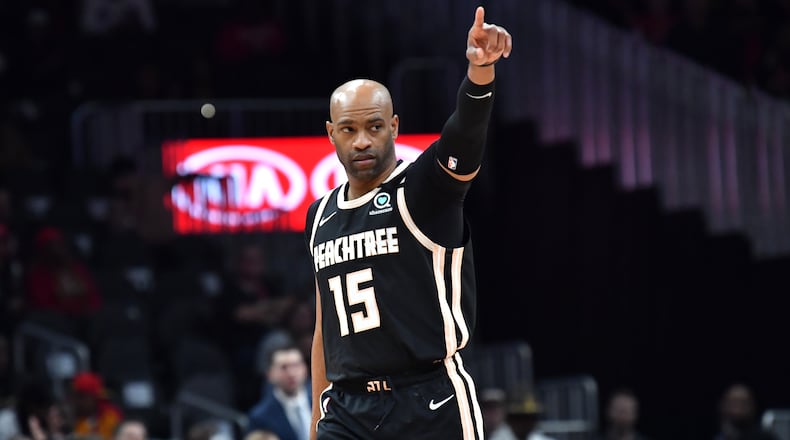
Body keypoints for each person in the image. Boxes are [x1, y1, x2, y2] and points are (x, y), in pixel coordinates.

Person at [304, 6, 512, 439]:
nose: (362, 141)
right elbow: (325, 329)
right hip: (346, 410)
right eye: (349, 129)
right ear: (331, 133)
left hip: (427, 400)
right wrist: (315, 420)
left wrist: (480, 73)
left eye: (375, 126)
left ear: (395, 127)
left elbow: (464, 135)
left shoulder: (424, 189)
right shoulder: (320, 214)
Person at [247, 344, 311, 440]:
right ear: (269, 374)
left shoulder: (323, 402)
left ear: (305, 369)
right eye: (284, 367)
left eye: (296, 365)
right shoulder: (260, 417)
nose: (291, 373)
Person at [69, 371, 123, 440]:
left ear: (93, 397)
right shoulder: (76, 416)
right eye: (75, 396)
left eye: (81, 397)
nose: (77, 401)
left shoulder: (110, 416)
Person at [714, 383, 779, 440]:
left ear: (752, 406)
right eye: (733, 402)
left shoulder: (764, 437)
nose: (737, 408)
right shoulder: (719, 434)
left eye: (743, 403)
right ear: (722, 405)